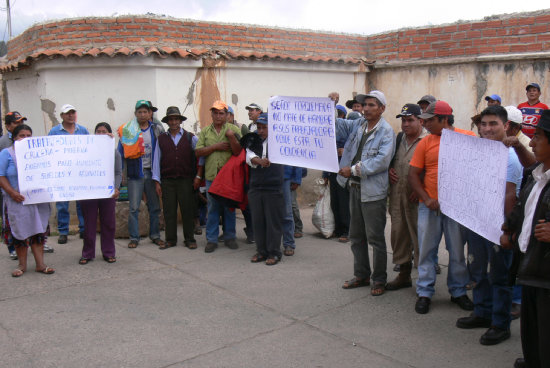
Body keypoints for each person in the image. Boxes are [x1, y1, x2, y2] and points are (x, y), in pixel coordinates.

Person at [455, 106, 522, 345]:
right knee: (478, 271)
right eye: (483, 124)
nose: (486, 128)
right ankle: (482, 312)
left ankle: (500, 324)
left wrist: (506, 231)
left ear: (506, 126)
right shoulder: (481, 151)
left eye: (493, 124)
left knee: (500, 277)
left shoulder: (510, 158)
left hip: (498, 227)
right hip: (477, 222)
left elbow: (510, 197)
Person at [409, 100, 475, 314]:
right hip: (430, 207)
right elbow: (413, 175)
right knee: (427, 250)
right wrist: (427, 199)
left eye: (430, 120)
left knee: (456, 251)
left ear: (444, 119)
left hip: (457, 208)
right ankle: (425, 292)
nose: (426, 124)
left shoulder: (468, 138)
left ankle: (457, 291)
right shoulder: (425, 143)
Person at [502, 109, 550, 368]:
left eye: (539, 137)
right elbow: (523, 207)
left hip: (546, 275)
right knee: (531, 327)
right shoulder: (538, 175)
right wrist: (509, 228)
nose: (532, 141)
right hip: (530, 266)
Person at [338, 91, 395, 296]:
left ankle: (379, 279)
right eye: (365, 105)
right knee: (356, 236)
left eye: (372, 105)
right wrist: (330, 107)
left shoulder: (386, 132)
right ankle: (361, 274)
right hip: (354, 188)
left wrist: (352, 170)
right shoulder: (359, 126)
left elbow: (381, 161)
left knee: (375, 238)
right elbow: (339, 126)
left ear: (382, 108)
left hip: (373, 193)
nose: (366, 108)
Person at [0, 124, 54, 277]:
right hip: (16, 200)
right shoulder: (6, 154)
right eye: (21, 136)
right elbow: (1, 175)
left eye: (29, 136)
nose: (25, 139)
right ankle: (21, 266)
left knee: (38, 231)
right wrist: (12, 193)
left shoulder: (39, 154)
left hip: (37, 200)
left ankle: (40, 264)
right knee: (20, 233)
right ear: (14, 138)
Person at [386, 104, 427, 291]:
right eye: (403, 120)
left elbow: (434, 170)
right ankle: (404, 275)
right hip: (398, 195)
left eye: (410, 120)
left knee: (421, 238)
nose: (405, 124)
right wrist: (389, 171)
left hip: (418, 199)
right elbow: (391, 161)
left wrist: (421, 189)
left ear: (421, 121)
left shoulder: (428, 140)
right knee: (399, 235)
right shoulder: (399, 139)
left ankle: (425, 282)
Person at [152, 106, 202, 250]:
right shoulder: (161, 139)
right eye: (171, 119)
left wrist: (198, 176)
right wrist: (157, 181)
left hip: (186, 179)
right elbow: (156, 160)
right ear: (167, 122)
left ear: (180, 121)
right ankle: (170, 239)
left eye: (176, 119)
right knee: (169, 210)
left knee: (187, 209)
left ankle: (189, 239)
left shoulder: (190, 137)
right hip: (167, 180)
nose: (173, 122)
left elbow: (201, 155)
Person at [117, 100, 165, 249]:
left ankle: (155, 235)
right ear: (135, 114)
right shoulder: (128, 130)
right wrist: (121, 176)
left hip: (152, 172)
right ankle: (134, 237)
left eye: (145, 111)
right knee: (134, 207)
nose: (143, 114)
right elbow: (120, 152)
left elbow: (163, 149)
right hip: (135, 173)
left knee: (154, 206)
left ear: (150, 113)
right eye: (140, 112)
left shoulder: (156, 129)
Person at [195, 100, 242, 253]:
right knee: (213, 208)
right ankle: (212, 240)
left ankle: (230, 237)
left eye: (221, 113)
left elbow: (238, 152)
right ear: (212, 114)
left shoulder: (233, 129)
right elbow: (198, 152)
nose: (218, 116)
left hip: (229, 177)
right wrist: (215, 147)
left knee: (229, 208)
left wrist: (232, 138)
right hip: (211, 176)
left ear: (227, 115)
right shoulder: (205, 132)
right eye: (215, 112)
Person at [79, 123, 122, 264]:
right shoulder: (86, 151)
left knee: (108, 223)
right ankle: (87, 253)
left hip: (107, 193)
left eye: (104, 132)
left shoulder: (114, 152)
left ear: (109, 134)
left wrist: (116, 188)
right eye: (98, 132)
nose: (101, 134)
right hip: (89, 192)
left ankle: (109, 252)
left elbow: (118, 172)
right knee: (89, 224)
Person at [246, 113, 285, 265]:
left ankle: (274, 252)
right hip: (256, 186)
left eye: (264, 128)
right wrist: (259, 161)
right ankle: (261, 251)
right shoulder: (252, 140)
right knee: (258, 221)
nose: (261, 131)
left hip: (274, 187)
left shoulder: (280, 141)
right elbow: (248, 156)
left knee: (273, 222)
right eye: (259, 127)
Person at [48, 104, 88, 244]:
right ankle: (63, 231)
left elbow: (89, 149)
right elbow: (50, 151)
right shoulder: (54, 132)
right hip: (62, 173)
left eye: (72, 112)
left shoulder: (82, 130)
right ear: (62, 116)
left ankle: (83, 229)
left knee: (81, 203)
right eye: (67, 113)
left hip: (79, 173)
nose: (70, 115)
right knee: (62, 204)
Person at [0, 112, 30, 259]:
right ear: (8, 126)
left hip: (29, 193)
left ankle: (37, 244)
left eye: (21, 122)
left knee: (32, 221)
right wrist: (11, 192)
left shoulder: (31, 145)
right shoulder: (4, 145)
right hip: (11, 192)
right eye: (16, 123)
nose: (20, 125)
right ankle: (13, 248)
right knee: (13, 222)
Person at [282, 165, 302, 255]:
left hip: (286, 177)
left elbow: (295, 155)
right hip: (267, 176)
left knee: (287, 212)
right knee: (269, 213)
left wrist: (297, 178)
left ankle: (289, 243)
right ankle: (269, 244)